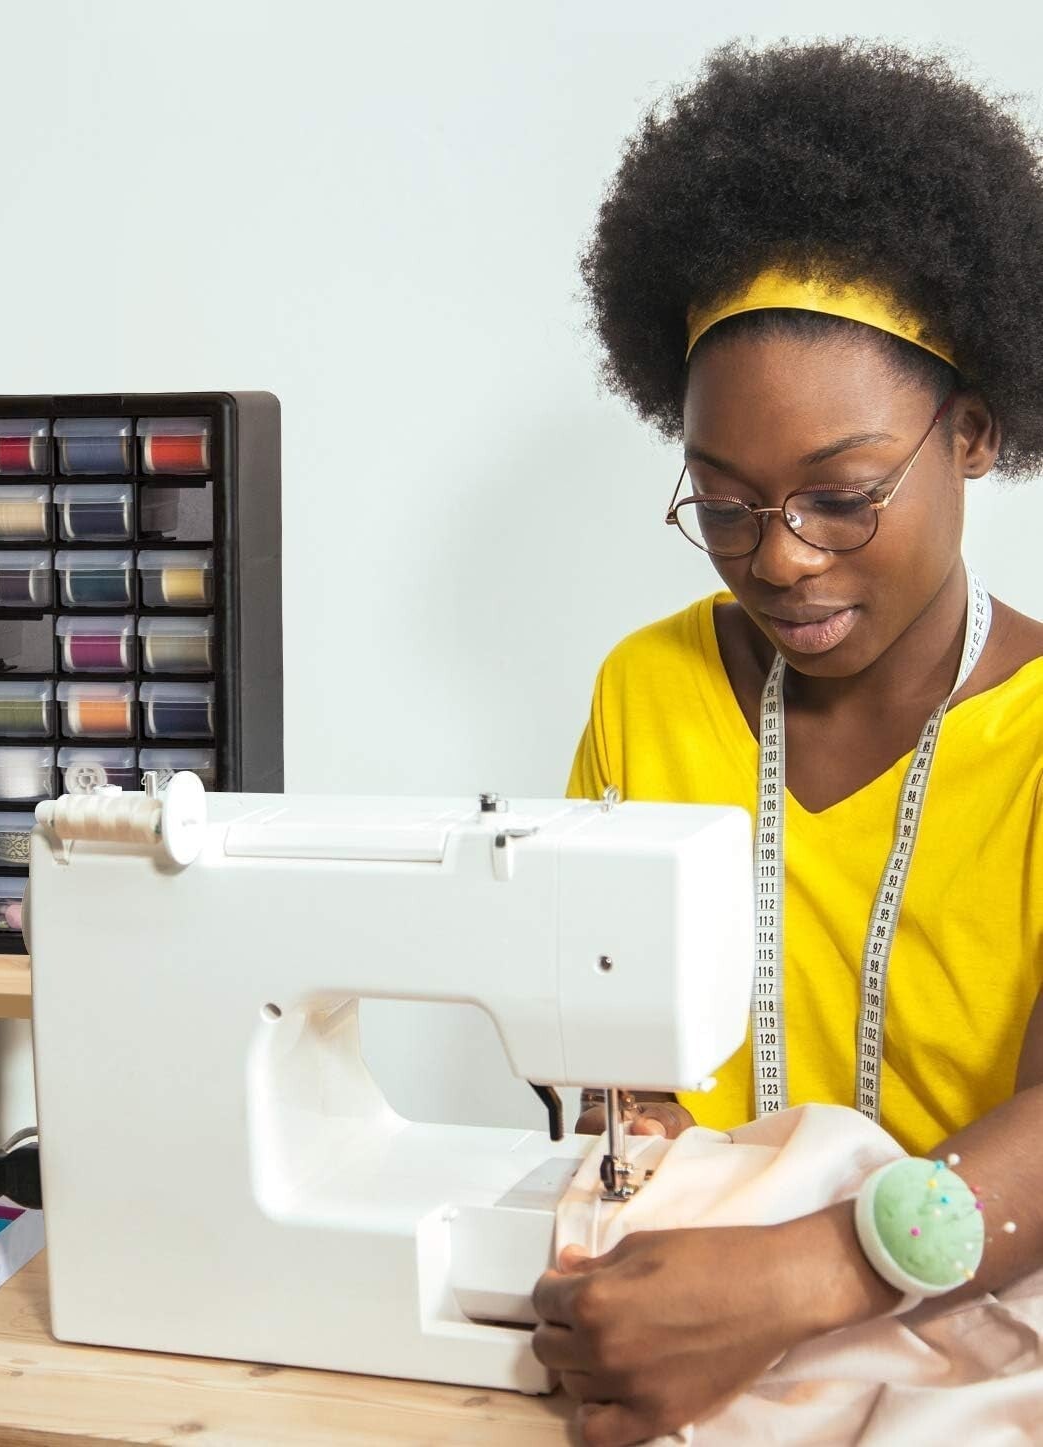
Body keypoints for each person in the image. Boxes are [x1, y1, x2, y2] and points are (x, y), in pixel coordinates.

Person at [529, 38, 1043, 1446]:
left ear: (976, 432)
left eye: (842, 496)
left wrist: (807, 1273)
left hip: (986, 1323)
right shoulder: (648, 689)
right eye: (728, 504)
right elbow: (605, 1068)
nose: (785, 560)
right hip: (695, 1294)